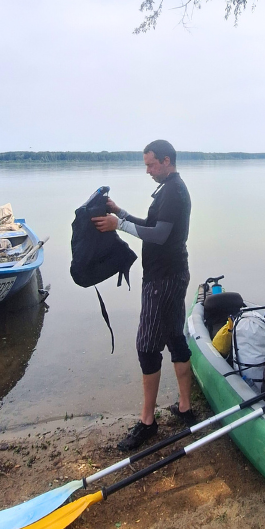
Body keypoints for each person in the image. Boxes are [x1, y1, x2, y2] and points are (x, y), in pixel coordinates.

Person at [91, 140, 194, 451]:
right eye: (146, 165)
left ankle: (148, 423)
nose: (147, 170)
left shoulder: (174, 191)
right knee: (175, 337)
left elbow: (159, 236)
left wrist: (118, 225)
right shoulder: (169, 189)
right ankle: (186, 409)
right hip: (172, 275)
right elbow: (152, 224)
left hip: (163, 280)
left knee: (147, 347)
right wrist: (120, 212)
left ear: (166, 160)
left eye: (151, 164)